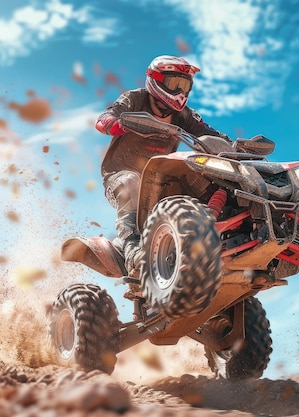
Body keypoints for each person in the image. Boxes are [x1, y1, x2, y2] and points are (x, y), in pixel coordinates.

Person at [95, 55, 231, 276]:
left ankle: (224, 241)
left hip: (161, 182)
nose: (180, 92)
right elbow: (105, 117)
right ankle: (133, 252)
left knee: (213, 175)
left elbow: (210, 134)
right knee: (131, 181)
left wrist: (234, 146)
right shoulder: (135, 99)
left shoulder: (183, 115)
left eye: (185, 86)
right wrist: (115, 124)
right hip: (119, 177)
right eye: (175, 84)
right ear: (156, 80)